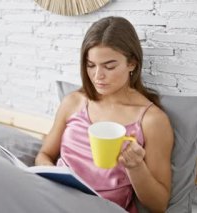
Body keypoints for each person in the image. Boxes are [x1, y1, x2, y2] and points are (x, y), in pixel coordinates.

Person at [35, 16, 174, 213]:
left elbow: (158, 205)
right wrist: (51, 171)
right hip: (55, 199)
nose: (98, 76)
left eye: (109, 66)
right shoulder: (73, 102)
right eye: (91, 65)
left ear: (132, 63)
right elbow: (44, 154)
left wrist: (136, 167)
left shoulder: (152, 121)